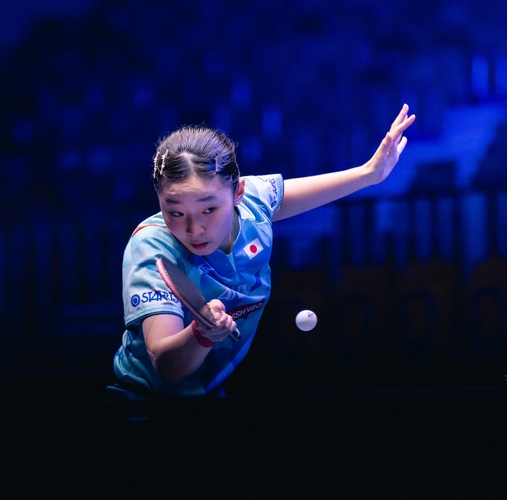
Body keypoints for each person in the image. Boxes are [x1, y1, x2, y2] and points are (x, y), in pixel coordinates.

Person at [108, 104, 415, 399]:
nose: (194, 229)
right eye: (175, 213)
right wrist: (201, 333)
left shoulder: (253, 200)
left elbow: (288, 196)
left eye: (209, 209)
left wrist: (368, 174)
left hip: (208, 390)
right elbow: (167, 365)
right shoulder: (152, 248)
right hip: (145, 405)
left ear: (238, 192)